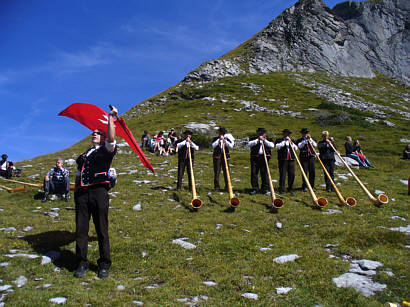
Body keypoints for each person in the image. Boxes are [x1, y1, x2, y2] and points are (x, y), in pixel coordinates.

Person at [74, 105, 118, 279]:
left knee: (101, 229)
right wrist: (77, 192)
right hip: (82, 194)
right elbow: (78, 174)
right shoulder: (84, 155)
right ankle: (81, 263)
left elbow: (112, 137)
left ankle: (104, 264)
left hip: (99, 191)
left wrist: (110, 118)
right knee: (81, 230)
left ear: (103, 136)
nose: (94, 134)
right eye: (93, 132)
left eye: (97, 132)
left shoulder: (106, 149)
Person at [248, 128, 275, 195]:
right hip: (255, 158)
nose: (261, 134)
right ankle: (255, 188)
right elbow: (249, 144)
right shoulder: (253, 139)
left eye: (263, 133)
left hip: (264, 158)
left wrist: (264, 140)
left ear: (265, 134)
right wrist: (258, 140)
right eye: (260, 133)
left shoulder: (269, 139)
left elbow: (272, 145)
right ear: (257, 133)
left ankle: (265, 189)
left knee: (265, 173)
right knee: (254, 173)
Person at [275, 129, 298, 194]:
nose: (288, 135)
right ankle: (282, 188)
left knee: (292, 174)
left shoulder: (292, 141)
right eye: (286, 134)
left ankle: (290, 188)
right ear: (283, 134)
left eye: (289, 134)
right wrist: (284, 142)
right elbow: (277, 147)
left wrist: (291, 143)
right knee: (283, 174)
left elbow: (296, 149)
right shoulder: (279, 140)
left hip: (291, 160)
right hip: (283, 160)